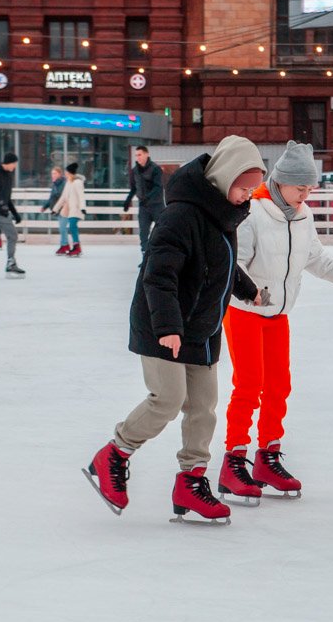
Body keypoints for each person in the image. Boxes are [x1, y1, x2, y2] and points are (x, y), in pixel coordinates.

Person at [85, 136, 266, 525]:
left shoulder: (225, 215)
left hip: (202, 328)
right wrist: (168, 326)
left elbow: (221, 264)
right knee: (167, 399)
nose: (247, 195)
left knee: (203, 408)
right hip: (162, 325)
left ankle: (191, 481)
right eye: (243, 187)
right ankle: (114, 454)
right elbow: (159, 275)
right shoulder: (180, 215)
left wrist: (247, 290)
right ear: (224, 176)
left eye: (252, 189)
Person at [219, 142, 333, 505]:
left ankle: (268, 456)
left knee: (279, 385)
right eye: (300, 188)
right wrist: (252, 293)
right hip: (244, 311)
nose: (305, 195)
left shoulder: (303, 216)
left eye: (309, 188)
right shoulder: (252, 212)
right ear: (280, 182)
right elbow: (233, 264)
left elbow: (318, 260)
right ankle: (234, 460)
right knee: (249, 384)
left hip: (278, 315)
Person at [123, 145, 166, 254]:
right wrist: (127, 201)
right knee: (143, 232)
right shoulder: (134, 171)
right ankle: (145, 255)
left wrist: (147, 197)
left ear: (146, 154)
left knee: (162, 230)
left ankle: (162, 254)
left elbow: (158, 187)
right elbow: (134, 188)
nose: (138, 157)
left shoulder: (155, 169)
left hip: (156, 205)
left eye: (140, 154)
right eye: (136, 155)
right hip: (143, 206)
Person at [53, 163, 86, 257]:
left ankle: (77, 248)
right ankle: (76, 247)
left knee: (72, 227)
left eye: (66, 173)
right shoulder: (68, 183)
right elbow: (63, 197)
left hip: (77, 209)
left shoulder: (77, 182)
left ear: (70, 173)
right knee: (71, 227)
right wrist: (55, 209)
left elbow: (81, 196)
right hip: (70, 210)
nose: (65, 174)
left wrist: (83, 208)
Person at [42, 166, 68, 255]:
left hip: (64, 209)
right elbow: (51, 197)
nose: (53, 175)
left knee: (63, 228)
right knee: (62, 228)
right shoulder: (55, 184)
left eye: (55, 173)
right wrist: (45, 206)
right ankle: (64, 246)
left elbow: (63, 196)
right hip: (58, 209)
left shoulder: (64, 183)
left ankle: (65, 246)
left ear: (60, 174)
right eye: (52, 174)